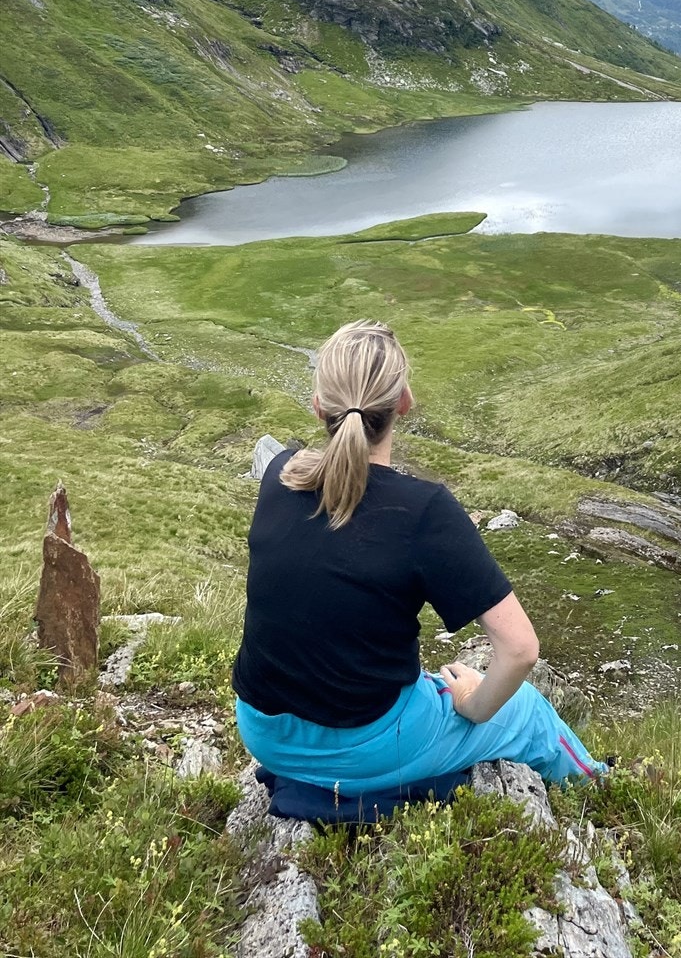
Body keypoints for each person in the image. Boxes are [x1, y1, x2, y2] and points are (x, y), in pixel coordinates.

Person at [232, 319, 605, 793]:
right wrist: (471, 704)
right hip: (363, 744)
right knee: (529, 712)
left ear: (319, 405)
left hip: (264, 732)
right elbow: (520, 650)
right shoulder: (424, 510)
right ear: (403, 401)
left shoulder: (280, 474)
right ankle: (600, 793)